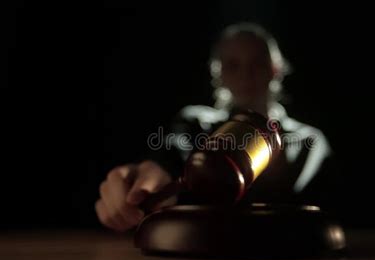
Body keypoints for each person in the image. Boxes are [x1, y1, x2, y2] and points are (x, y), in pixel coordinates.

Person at [96, 23, 339, 232]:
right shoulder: (194, 123)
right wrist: (149, 177)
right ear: (218, 73)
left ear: (276, 70)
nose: (246, 75)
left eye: (258, 63)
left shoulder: (310, 141)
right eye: (233, 65)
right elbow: (169, 157)